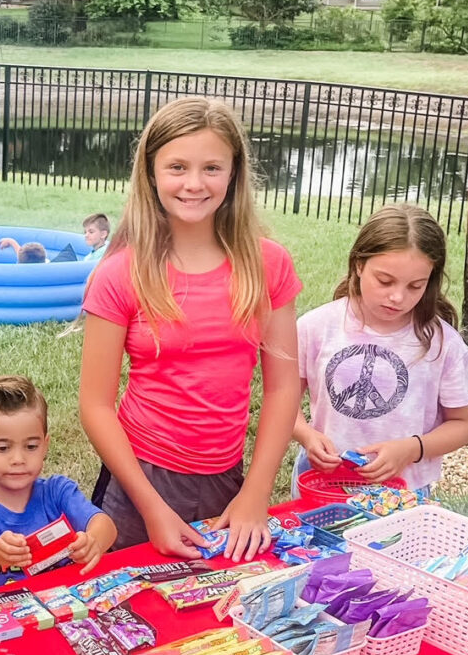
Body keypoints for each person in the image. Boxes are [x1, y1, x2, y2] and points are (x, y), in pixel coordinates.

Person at [79, 96, 303, 562]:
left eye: (212, 168)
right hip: (139, 480)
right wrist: (152, 508)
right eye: (177, 167)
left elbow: (284, 389)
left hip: (227, 476)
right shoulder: (120, 273)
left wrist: (256, 493)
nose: (194, 184)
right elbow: (95, 405)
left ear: (234, 173)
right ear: (151, 172)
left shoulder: (269, 264)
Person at [294, 203, 468, 492]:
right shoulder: (315, 327)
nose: (397, 297)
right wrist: (306, 435)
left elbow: (463, 425)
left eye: (415, 286)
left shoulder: (445, 345)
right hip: (321, 485)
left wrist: (412, 449)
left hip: (403, 492)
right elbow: (283, 404)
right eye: (385, 281)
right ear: (359, 264)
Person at [0, 375, 117, 595]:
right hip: (0, 613)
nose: (18, 459)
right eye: (3, 448)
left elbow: (105, 525)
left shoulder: (57, 492)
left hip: (65, 605)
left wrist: (93, 542)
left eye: (31, 446)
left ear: (45, 445)